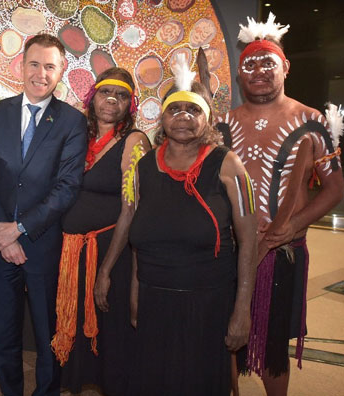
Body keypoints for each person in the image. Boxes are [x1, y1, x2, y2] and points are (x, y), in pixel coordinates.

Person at [216, 13, 344, 396]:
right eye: (249, 64)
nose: (258, 71)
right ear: (240, 74)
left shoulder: (313, 122)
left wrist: (295, 223)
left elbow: (335, 187)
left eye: (267, 63)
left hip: (282, 252)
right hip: (229, 251)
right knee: (225, 334)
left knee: (273, 346)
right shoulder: (222, 123)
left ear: (284, 67)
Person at [126, 55, 258, 395]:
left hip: (208, 304)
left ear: (208, 118)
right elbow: (140, 240)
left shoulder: (228, 164)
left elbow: (249, 241)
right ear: (163, 117)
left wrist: (242, 310)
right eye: (174, 109)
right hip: (155, 301)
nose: (183, 117)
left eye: (193, 110)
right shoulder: (143, 168)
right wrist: (136, 292)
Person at [0, 34, 87, 396]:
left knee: (47, 335)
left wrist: (20, 229)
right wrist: (1, 233)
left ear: (61, 71)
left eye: (50, 66)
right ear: (21, 66)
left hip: (43, 245)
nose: (41, 73)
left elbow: (66, 188)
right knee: (2, 333)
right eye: (35, 64)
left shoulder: (72, 121)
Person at [50, 67, 151, 395]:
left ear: (131, 104)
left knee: (110, 327)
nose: (112, 100)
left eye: (122, 95)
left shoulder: (134, 142)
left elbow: (131, 208)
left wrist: (106, 269)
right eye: (106, 92)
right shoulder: (79, 137)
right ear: (92, 98)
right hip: (72, 251)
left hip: (111, 251)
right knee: (76, 322)